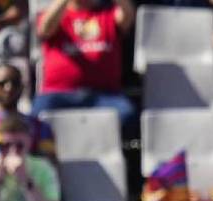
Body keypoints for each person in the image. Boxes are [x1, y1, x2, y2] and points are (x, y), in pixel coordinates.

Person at [33, 0, 137, 130]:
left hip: (104, 95)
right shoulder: (57, 15)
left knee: (126, 115)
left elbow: (128, 17)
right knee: (37, 119)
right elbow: (45, 28)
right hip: (57, 93)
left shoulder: (109, 13)